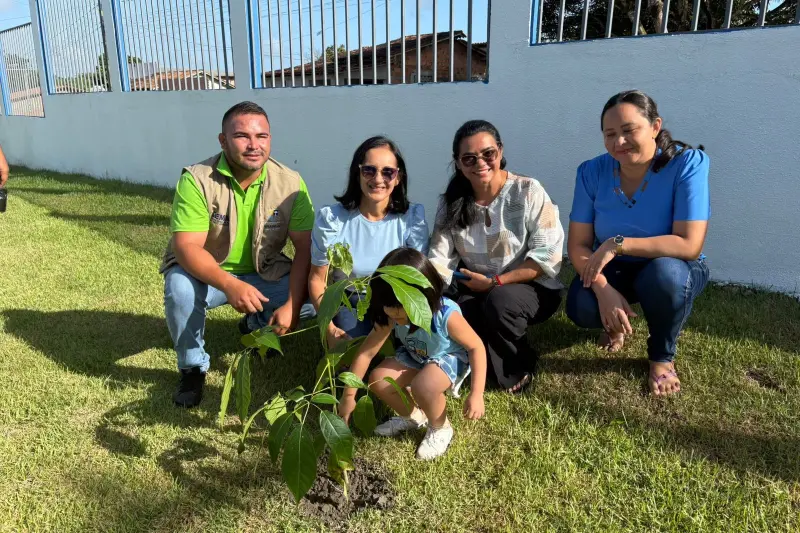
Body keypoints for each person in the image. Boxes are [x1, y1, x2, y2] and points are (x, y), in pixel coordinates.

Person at [160, 101, 315, 408]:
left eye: (262, 136)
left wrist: (293, 305)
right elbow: (186, 247)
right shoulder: (197, 179)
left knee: (313, 292)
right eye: (242, 136)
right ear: (223, 140)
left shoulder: (290, 183)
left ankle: (257, 325)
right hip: (208, 274)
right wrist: (230, 284)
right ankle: (192, 367)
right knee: (179, 289)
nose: (254, 145)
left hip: (264, 271)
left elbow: (305, 249)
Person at [566, 90, 710, 396]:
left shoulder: (686, 164)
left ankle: (661, 356)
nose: (619, 142)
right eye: (610, 134)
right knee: (581, 304)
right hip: (615, 268)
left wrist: (617, 244)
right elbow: (578, 245)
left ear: (655, 127)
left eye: (629, 130)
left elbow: (689, 245)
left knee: (666, 277)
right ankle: (614, 325)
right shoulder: (592, 172)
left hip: (674, 266)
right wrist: (603, 289)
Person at [428, 120, 565, 394]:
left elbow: (547, 255)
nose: (480, 163)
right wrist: (430, 297)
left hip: (531, 287)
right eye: (469, 158)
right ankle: (473, 360)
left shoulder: (528, 191)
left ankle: (518, 364)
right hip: (475, 285)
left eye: (488, 154)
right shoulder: (451, 203)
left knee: (499, 301)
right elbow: (438, 259)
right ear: (458, 163)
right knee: (456, 311)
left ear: (500, 151)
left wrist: (494, 282)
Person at [338, 248, 486, 460]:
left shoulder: (445, 314)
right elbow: (366, 353)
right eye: (389, 309)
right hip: (416, 355)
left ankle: (441, 427)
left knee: (423, 386)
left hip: (449, 357)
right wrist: (348, 396)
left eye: (400, 313)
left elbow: (476, 347)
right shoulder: (390, 314)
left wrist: (476, 394)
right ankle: (414, 417)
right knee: (378, 380)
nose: (394, 318)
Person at [308, 136, 429, 345]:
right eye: (369, 170)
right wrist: (329, 328)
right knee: (350, 352)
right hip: (351, 301)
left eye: (388, 172)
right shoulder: (333, 219)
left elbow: (417, 278)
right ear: (357, 174)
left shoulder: (411, 218)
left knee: (411, 352)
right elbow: (317, 279)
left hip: (397, 301)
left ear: (398, 178)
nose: (378, 179)